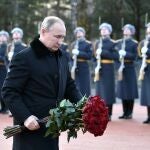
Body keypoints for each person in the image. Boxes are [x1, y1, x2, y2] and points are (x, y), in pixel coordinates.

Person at [2, 16, 82, 150]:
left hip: (52, 128)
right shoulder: (24, 57)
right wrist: (26, 117)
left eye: (63, 37)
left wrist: (83, 105)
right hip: (30, 130)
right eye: (57, 36)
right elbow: (9, 91)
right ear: (43, 31)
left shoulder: (61, 57)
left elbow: (69, 85)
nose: (61, 41)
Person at [94, 23, 117, 121]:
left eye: (105, 29)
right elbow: (93, 56)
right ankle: (100, 113)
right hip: (99, 69)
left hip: (108, 68)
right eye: (102, 29)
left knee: (108, 91)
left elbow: (115, 56)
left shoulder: (113, 43)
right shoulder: (97, 43)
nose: (103, 30)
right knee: (99, 92)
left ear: (110, 31)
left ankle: (109, 114)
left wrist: (103, 52)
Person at [115, 24, 138, 119]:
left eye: (128, 29)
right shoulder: (120, 42)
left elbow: (135, 56)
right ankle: (124, 112)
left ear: (132, 32)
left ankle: (130, 112)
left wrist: (126, 54)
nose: (126, 31)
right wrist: (118, 66)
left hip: (130, 67)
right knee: (123, 90)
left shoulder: (134, 43)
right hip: (121, 67)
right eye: (125, 29)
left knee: (130, 90)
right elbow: (116, 57)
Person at [70, 27, 92, 97]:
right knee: (76, 86)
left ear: (84, 33)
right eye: (77, 32)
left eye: (80, 32)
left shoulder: (88, 44)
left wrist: (79, 53)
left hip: (84, 67)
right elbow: (70, 58)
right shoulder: (73, 44)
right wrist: (72, 64)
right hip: (75, 67)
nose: (78, 33)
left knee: (84, 86)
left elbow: (89, 56)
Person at [138, 22, 150, 124]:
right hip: (146, 68)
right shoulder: (143, 42)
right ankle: (149, 116)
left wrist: (148, 51)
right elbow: (138, 56)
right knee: (147, 93)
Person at [0, 30, 9, 113]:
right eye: (1, 35)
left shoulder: (7, 46)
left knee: (3, 88)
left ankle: (5, 108)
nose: (2, 37)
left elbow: (3, 58)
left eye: (4, 35)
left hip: (4, 69)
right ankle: (3, 108)